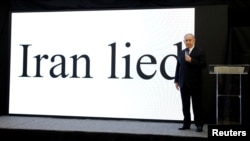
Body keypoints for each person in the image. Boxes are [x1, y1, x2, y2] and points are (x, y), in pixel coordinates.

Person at [174, 33, 207, 132]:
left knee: (197, 105)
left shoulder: (200, 52)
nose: (188, 42)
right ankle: (186, 124)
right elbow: (178, 67)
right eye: (186, 40)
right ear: (184, 42)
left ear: (194, 40)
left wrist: (191, 60)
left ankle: (199, 125)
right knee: (185, 105)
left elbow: (203, 65)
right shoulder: (181, 53)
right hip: (183, 83)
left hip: (195, 83)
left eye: (190, 40)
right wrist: (176, 80)